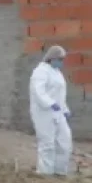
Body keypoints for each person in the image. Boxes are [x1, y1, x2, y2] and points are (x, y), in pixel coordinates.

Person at [29, 46, 72, 176]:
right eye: (60, 59)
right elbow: (38, 91)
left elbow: (59, 94)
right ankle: (45, 173)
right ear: (52, 58)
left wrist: (64, 109)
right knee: (47, 143)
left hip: (58, 112)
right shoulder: (40, 72)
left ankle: (60, 171)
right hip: (44, 113)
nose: (61, 62)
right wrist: (50, 103)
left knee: (64, 141)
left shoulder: (57, 72)